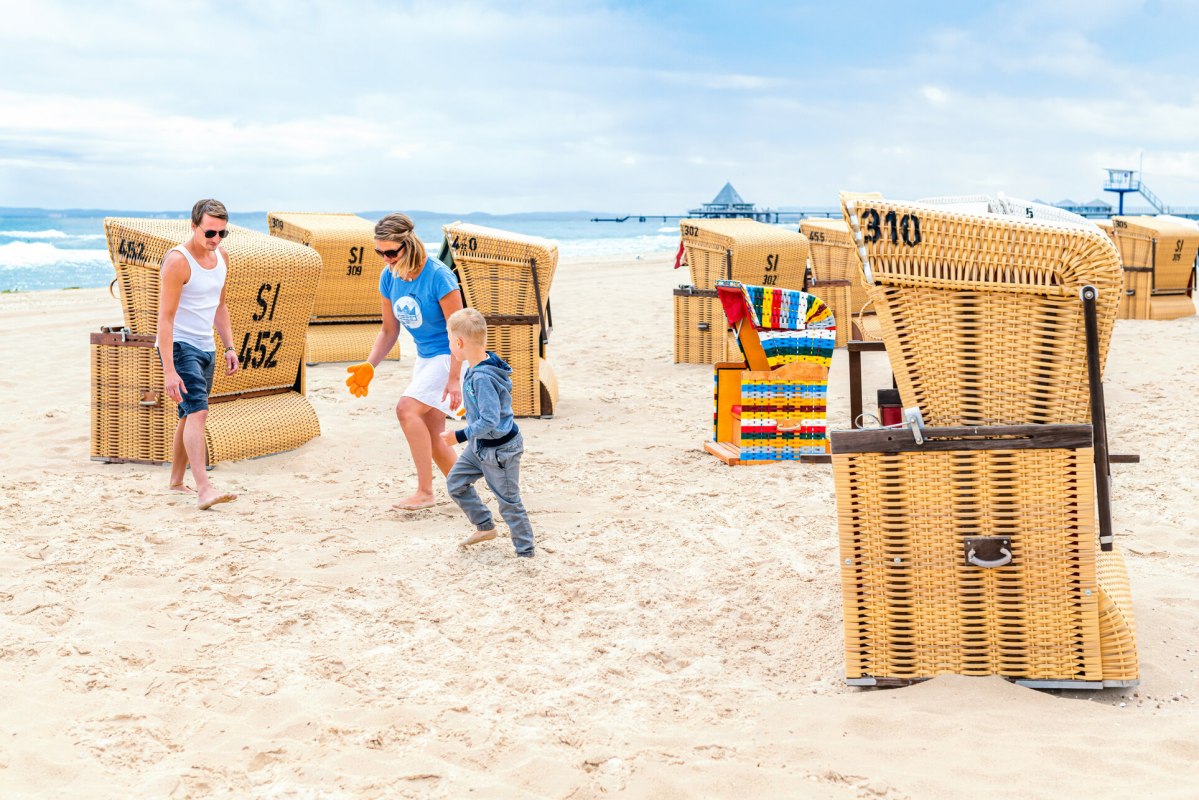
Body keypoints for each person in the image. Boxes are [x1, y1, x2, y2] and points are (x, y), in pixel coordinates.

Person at [346, 213, 464, 511]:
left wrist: (454, 379)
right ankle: (466, 488)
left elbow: (459, 334)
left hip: (450, 355)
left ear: (408, 244)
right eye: (379, 252)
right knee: (435, 435)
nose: (385, 258)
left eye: (390, 252)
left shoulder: (439, 276)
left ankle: (425, 491)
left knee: (405, 409)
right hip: (425, 358)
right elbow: (389, 330)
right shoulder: (389, 277)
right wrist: (370, 366)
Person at [157, 198, 239, 510]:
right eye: (209, 233)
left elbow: (220, 305)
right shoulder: (178, 261)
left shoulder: (223, 258)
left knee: (188, 413)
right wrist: (169, 369)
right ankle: (204, 488)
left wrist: (229, 346)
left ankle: (177, 481)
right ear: (194, 227)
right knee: (199, 412)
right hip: (180, 346)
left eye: (222, 234)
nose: (215, 240)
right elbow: (165, 318)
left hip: (207, 346)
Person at [439, 308, 534, 558]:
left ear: (459, 342)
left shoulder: (482, 376)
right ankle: (484, 526)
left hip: (500, 451)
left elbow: (490, 420)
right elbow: (486, 407)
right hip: (480, 446)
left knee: (509, 502)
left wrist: (458, 436)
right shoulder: (477, 365)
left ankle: (526, 551)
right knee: (456, 483)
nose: (450, 346)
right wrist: (468, 408)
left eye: (450, 341)